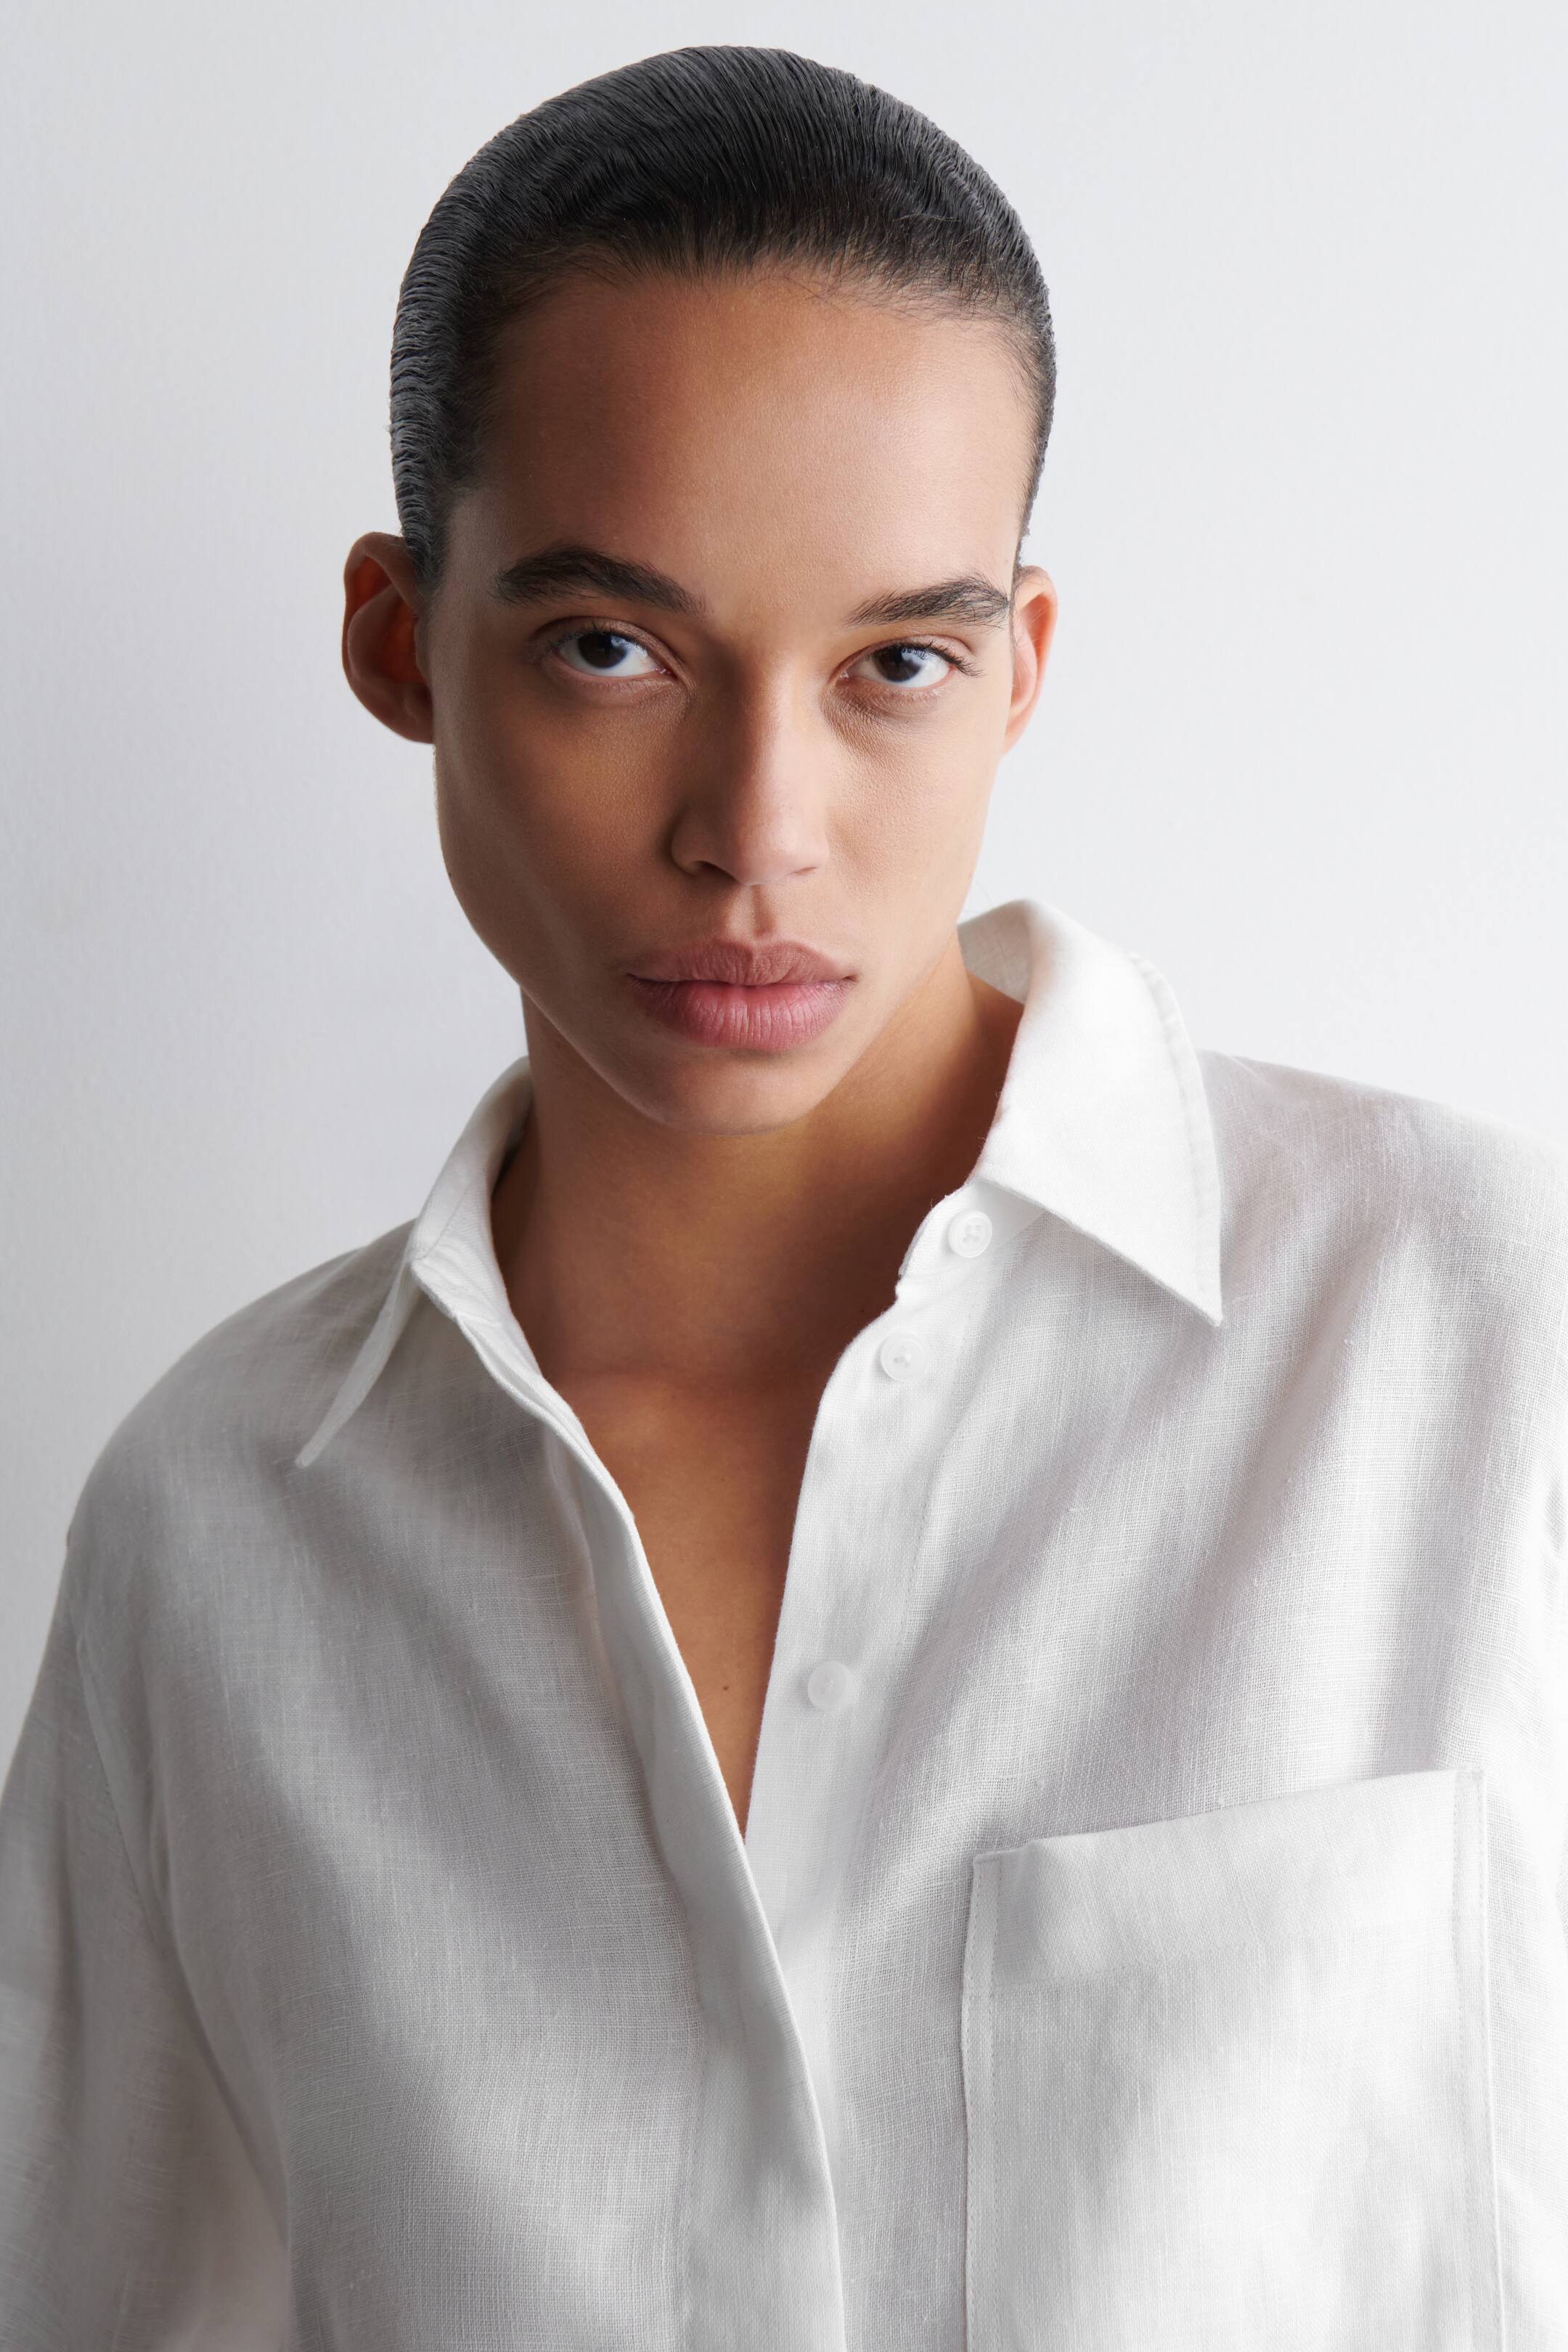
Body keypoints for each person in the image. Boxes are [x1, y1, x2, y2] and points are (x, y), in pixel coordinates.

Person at [1, 40, 1564, 2352]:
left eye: (895, 663)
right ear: (397, 642)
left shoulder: (1483, 1349)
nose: (758, 830)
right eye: (612, 649)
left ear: (1019, 673)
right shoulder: (219, 1536)